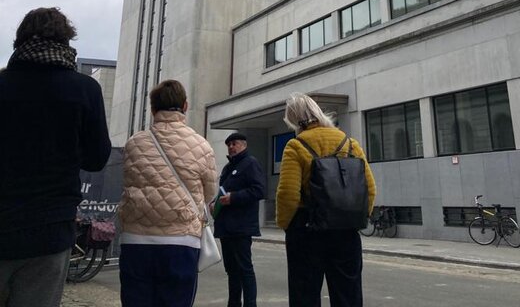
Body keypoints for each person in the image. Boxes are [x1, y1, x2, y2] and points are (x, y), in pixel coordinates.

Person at [0, 7, 111, 307]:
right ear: (67, 40)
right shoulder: (85, 89)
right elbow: (96, 158)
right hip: (50, 228)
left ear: (19, 40)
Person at [118, 79, 217, 307]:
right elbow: (209, 192)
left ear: (153, 109)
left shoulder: (134, 143)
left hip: (136, 239)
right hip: (181, 240)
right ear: (185, 106)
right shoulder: (201, 145)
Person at [276, 93, 376, 307]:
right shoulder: (350, 143)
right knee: (348, 295)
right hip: (346, 231)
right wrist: (356, 217)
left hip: (307, 230)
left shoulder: (295, 146)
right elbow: (370, 188)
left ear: (294, 120)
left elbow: (288, 194)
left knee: (305, 294)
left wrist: (286, 225)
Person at [213, 131, 266, 307]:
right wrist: (215, 204)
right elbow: (222, 192)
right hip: (226, 227)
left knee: (244, 269)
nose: (231, 147)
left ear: (244, 145)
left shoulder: (250, 163)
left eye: (235, 143)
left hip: (241, 226)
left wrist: (234, 198)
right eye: (229, 144)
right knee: (232, 271)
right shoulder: (228, 168)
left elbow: (259, 190)